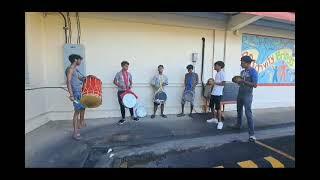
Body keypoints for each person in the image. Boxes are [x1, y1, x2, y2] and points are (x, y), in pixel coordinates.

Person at [232, 56, 258, 142]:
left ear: (247, 63)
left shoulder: (253, 71)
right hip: (240, 94)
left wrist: (243, 81)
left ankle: (252, 135)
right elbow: (240, 83)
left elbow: (255, 85)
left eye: (242, 62)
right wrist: (237, 81)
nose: (241, 64)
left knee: (248, 114)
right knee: (239, 111)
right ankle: (238, 125)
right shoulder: (242, 72)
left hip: (247, 95)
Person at [66, 54, 86, 140]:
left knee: (83, 108)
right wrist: (71, 95)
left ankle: (80, 123)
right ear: (75, 60)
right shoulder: (70, 69)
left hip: (80, 92)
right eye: (79, 60)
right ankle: (75, 132)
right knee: (77, 112)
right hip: (75, 93)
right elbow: (68, 82)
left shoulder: (75, 70)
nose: (80, 61)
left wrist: (86, 79)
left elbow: (79, 79)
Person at [113, 61, 139, 125]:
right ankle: (123, 118)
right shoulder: (118, 73)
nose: (127, 67)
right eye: (125, 66)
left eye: (127, 66)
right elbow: (114, 81)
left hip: (128, 91)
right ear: (122, 66)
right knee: (122, 105)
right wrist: (119, 85)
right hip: (121, 91)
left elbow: (131, 81)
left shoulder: (129, 74)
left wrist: (130, 85)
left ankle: (132, 116)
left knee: (130, 103)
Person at [206, 61, 226, 130]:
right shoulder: (217, 73)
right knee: (211, 106)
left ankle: (220, 122)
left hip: (218, 94)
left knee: (218, 108)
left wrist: (214, 82)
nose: (214, 67)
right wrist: (212, 84)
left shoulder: (222, 73)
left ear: (220, 66)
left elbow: (223, 83)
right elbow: (216, 83)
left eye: (216, 65)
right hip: (213, 93)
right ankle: (214, 119)